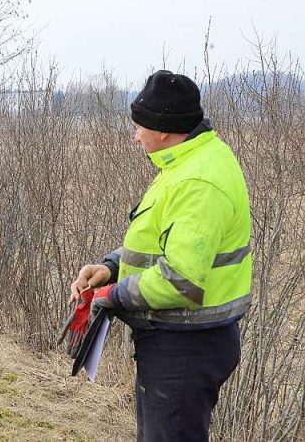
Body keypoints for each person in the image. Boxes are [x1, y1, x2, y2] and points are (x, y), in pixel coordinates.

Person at [66, 70, 252, 441]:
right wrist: (111, 267)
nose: (135, 136)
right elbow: (161, 245)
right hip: (177, 341)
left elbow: (179, 280)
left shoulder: (198, 181)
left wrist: (113, 296)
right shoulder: (185, 162)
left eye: (139, 126)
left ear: (163, 129)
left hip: (186, 346)